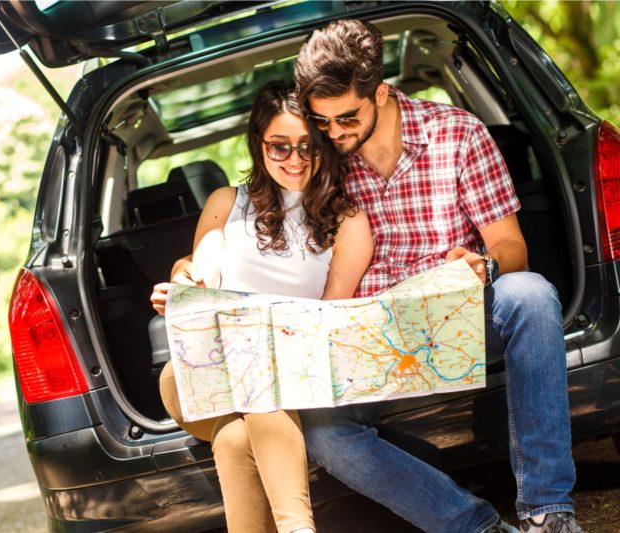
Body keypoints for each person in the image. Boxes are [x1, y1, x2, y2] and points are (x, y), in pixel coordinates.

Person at [169, 19, 583, 533]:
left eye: (347, 118)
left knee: (531, 294)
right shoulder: (321, 165)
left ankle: (547, 513)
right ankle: (472, 526)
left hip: (459, 317)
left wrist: (486, 265)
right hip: (370, 344)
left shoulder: (458, 135)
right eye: (324, 123)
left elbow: (510, 246)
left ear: (381, 92)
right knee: (323, 431)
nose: (336, 135)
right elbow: (247, 235)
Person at [151, 81, 373, 533]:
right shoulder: (226, 203)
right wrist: (180, 283)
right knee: (240, 358)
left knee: (236, 438)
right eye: (280, 146)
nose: (295, 160)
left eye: (307, 147)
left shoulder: (347, 219)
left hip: (296, 378)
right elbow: (200, 271)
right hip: (202, 377)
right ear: (259, 144)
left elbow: (330, 320)